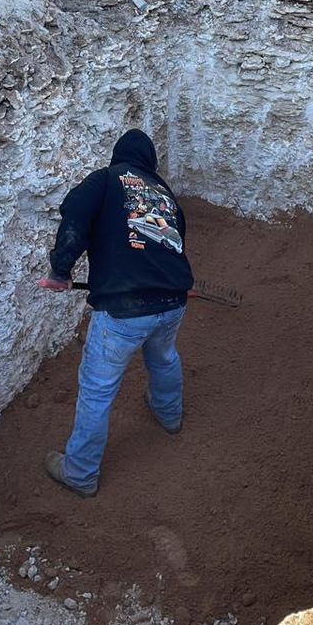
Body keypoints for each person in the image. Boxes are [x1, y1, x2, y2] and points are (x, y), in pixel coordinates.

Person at [38, 128, 193, 497]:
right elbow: (172, 243)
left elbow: (75, 216)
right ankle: (169, 416)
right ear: (150, 162)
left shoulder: (106, 180)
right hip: (173, 299)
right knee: (164, 357)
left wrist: (61, 272)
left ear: (118, 157)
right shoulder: (164, 194)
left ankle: (79, 473)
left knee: (97, 389)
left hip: (124, 309)